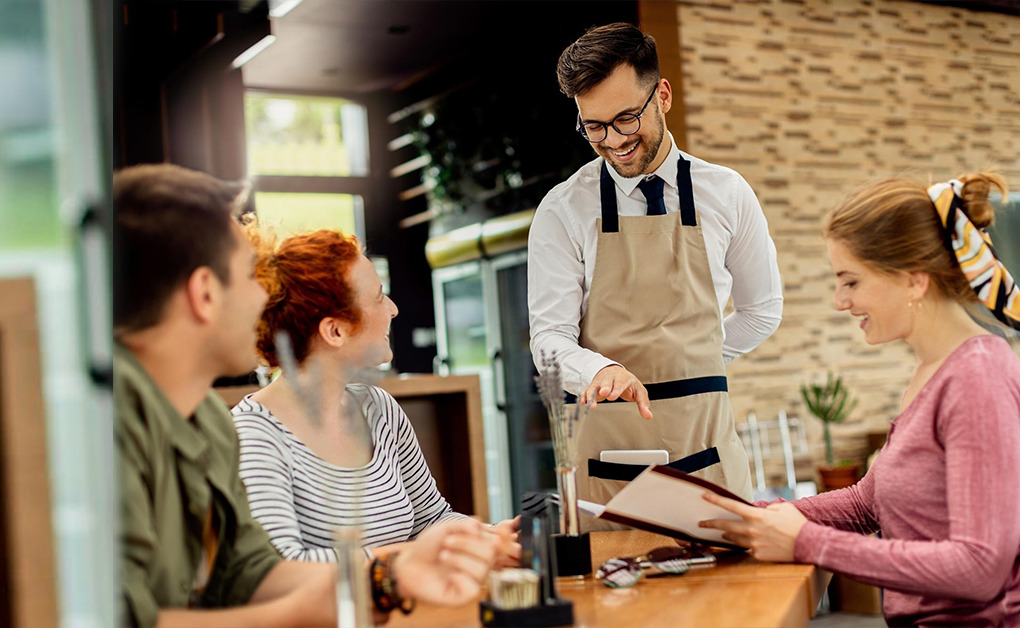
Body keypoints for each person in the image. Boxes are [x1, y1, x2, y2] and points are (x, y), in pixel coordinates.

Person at [116, 163, 498, 627]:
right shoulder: (113, 425)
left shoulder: (207, 424)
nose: (265, 301)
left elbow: (253, 574)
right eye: (247, 278)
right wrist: (384, 580)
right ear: (204, 294)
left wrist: (390, 575)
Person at [701, 173, 1020, 627]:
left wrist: (806, 541)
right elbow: (870, 503)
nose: (840, 301)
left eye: (851, 282)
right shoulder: (933, 370)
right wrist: (745, 518)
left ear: (912, 281)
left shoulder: (978, 379)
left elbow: (980, 568)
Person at [527, 22, 783, 508]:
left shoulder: (727, 193)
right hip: (608, 466)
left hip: (705, 449)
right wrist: (602, 371)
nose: (612, 141)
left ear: (662, 95)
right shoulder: (563, 210)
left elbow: (761, 311)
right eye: (593, 127)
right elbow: (548, 341)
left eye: (626, 119)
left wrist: (692, 361)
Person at [230, 228, 520, 566]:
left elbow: (431, 520)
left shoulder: (380, 409)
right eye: (380, 297)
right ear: (335, 331)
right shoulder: (254, 436)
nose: (394, 310)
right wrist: (416, 558)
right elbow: (282, 569)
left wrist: (488, 535)